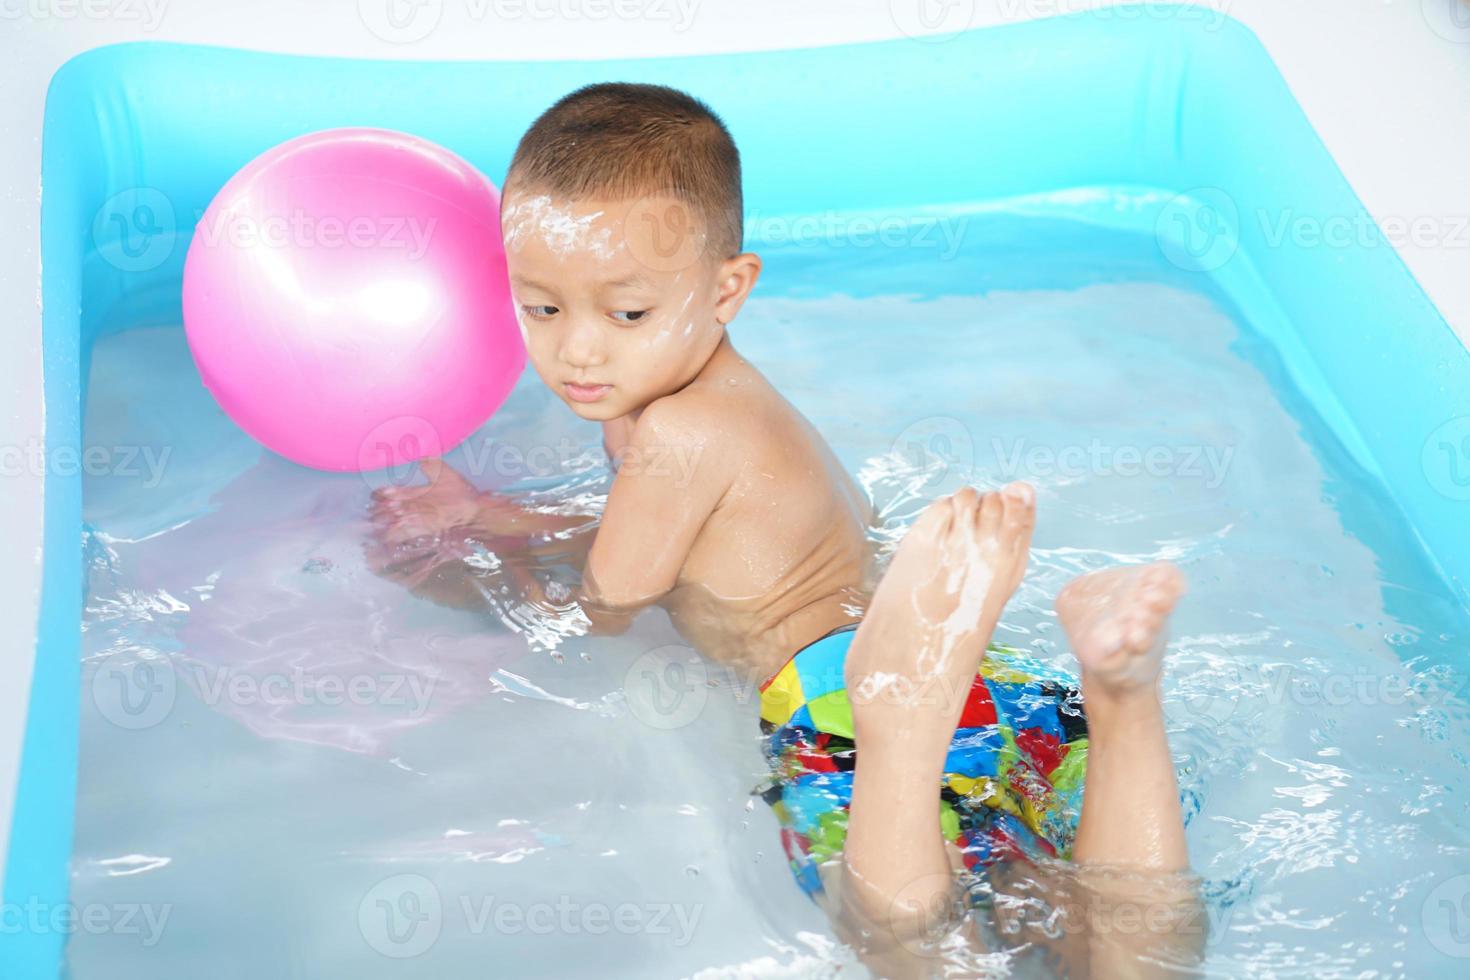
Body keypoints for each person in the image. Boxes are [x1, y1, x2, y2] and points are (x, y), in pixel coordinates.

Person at [369, 81, 1200, 976]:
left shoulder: (672, 435)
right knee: (1099, 921)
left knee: (911, 946)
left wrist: (453, 574)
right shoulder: (726, 404)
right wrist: (497, 513)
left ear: (728, 288)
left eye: (626, 313)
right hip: (986, 681)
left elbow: (602, 605)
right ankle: (1120, 703)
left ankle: (899, 736)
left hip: (841, 703)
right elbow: (661, 530)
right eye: (543, 307)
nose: (579, 350)